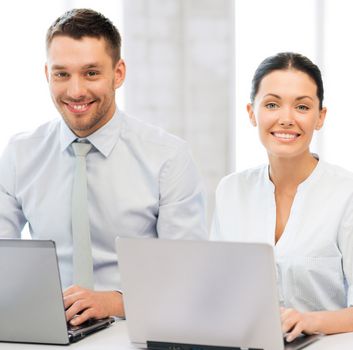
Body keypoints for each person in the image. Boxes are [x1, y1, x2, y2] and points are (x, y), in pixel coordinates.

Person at [0, 9, 207, 326]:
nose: (75, 91)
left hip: (137, 329)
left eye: (91, 73)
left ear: (119, 73)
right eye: (62, 74)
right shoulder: (20, 154)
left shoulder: (168, 158)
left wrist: (117, 302)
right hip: (47, 332)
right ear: (47, 74)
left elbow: (189, 278)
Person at [211, 52, 353, 341]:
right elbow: (219, 291)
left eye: (302, 106)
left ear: (320, 117)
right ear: (252, 113)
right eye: (272, 104)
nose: (286, 119)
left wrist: (309, 320)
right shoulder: (231, 190)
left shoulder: (346, 194)